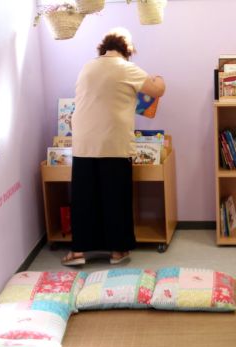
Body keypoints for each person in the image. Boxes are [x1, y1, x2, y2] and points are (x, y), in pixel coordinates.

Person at [62, 28, 166, 266]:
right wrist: (159, 78)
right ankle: (118, 251)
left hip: (84, 143)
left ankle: (78, 251)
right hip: (113, 143)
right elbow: (157, 90)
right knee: (115, 197)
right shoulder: (126, 67)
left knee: (84, 198)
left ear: (104, 47)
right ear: (127, 50)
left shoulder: (88, 66)